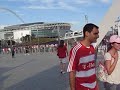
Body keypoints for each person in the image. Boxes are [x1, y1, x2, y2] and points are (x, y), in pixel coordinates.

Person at [67, 23, 99, 90]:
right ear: (87, 33)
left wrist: (97, 85)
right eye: (95, 33)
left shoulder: (92, 48)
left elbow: (93, 68)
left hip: (94, 86)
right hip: (82, 87)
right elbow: (72, 71)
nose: (98, 36)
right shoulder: (76, 50)